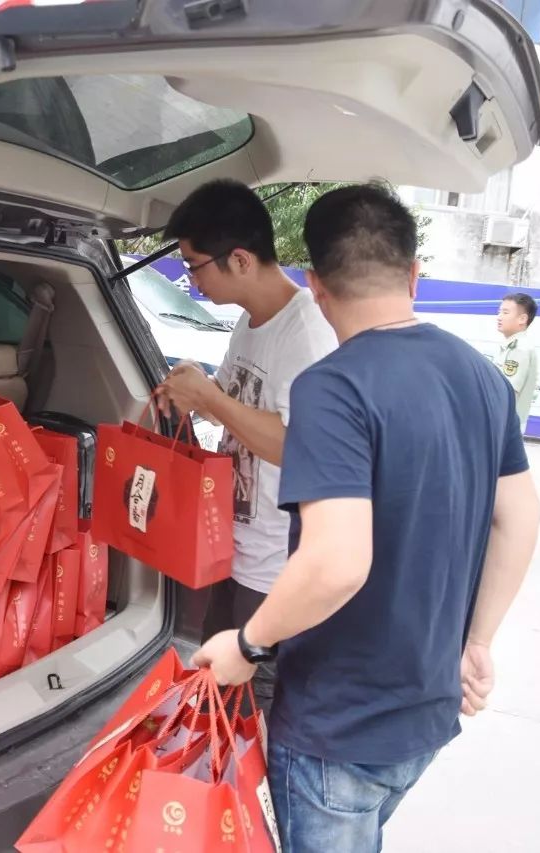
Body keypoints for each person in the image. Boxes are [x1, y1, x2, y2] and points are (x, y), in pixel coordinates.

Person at [193, 184, 540, 852]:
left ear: (315, 285)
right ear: (415, 274)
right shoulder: (480, 376)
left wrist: (245, 646)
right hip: (427, 707)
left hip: (339, 727)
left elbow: (336, 560)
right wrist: (477, 641)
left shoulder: (332, 387)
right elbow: (520, 517)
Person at [154, 179, 337, 714]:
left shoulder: (307, 332)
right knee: (217, 699)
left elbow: (297, 445)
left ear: (238, 259)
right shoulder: (249, 323)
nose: (191, 280)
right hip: (234, 547)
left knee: (251, 712)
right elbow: (233, 410)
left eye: (195, 265)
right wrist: (195, 398)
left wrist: (210, 395)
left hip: (276, 569)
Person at [495, 293, 540, 429]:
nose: (499, 317)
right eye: (499, 312)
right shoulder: (511, 346)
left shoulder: (519, 349)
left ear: (522, 319)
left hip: (504, 424)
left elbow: (508, 392)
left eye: (505, 312)